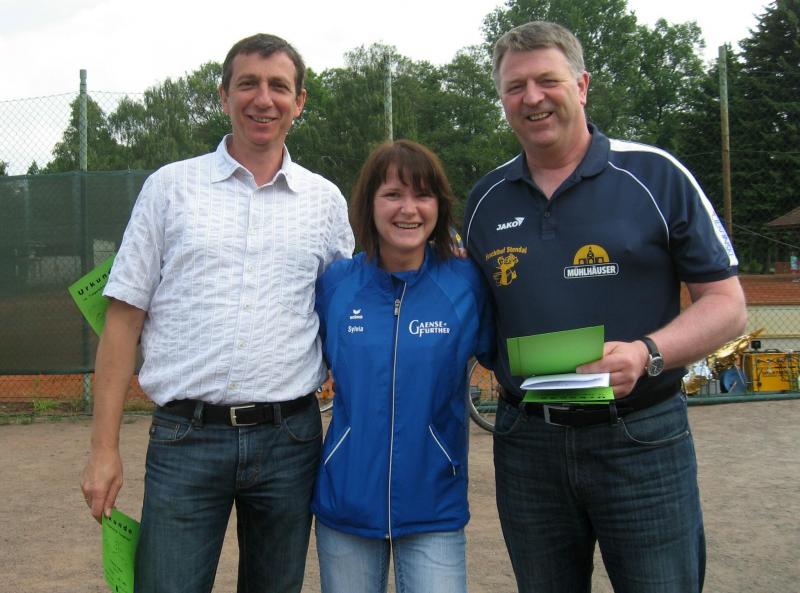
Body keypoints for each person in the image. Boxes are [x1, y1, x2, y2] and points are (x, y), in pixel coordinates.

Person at [463, 21, 747, 593]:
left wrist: (647, 353)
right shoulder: (485, 201)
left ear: (582, 85)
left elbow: (727, 305)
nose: (532, 97)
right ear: (502, 99)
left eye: (548, 80)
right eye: (515, 87)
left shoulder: (656, 175)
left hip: (639, 437)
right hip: (528, 444)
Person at [80, 33, 354, 593]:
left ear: (299, 102)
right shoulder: (168, 189)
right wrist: (103, 450)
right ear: (224, 95)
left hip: (290, 441)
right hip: (185, 437)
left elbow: (351, 314)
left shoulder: (325, 202)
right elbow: (122, 322)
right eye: (248, 83)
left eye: (279, 86)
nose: (263, 99)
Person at [312, 140, 494, 593]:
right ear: (369, 204)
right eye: (392, 194)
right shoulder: (336, 284)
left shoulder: (467, 282)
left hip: (434, 505)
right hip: (346, 505)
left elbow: (503, 355)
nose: (408, 209)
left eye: (422, 195)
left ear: (439, 206)